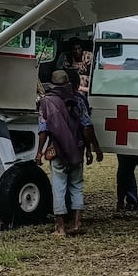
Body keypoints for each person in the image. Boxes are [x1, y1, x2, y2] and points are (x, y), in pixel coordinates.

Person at [34, 69, 101, 237]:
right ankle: (77, 223)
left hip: (58, 150)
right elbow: (87, 126)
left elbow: (44, 130)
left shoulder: (46, 102)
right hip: (77, 148)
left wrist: (39, 152)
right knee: (76, 186)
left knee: (59, 187)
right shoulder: (79, 99)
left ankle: (60, 227)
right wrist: (91, 149)